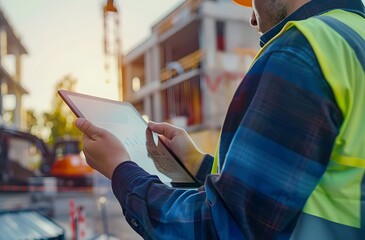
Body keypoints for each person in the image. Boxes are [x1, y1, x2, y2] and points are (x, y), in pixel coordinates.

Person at [75, 0, 365, 239]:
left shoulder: (300, 50)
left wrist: (122, 172)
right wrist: (197, 164)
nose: (252, 19)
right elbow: (294, 190)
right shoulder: (352, 38)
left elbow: (222, 228)